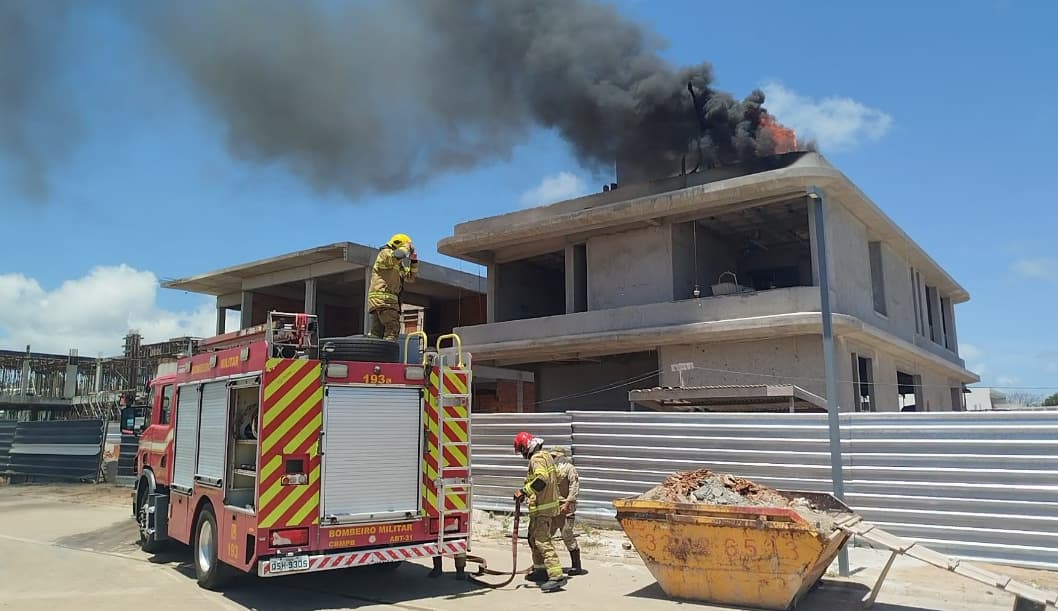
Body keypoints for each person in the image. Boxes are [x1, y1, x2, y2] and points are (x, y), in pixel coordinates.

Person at [513, 431, 565, 593]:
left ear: (525, 447)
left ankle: (556, 576)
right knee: (533, 538)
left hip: (543, 508)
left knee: (542, 540)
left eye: (521, 450)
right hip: (543, 507)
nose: (522, 454)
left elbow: (542, 479)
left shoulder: (536, 459)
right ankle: (540, 569)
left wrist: (524, 491)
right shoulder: (547, 456)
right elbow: (559, 475)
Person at [367, 233, 418, 341]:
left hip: (383, 301)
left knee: (377, 332)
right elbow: (397, 255)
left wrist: (413, 261)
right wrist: (407, 246)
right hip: (385, 301)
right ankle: (387, 354)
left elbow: (410, 277)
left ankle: (374, 354)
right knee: (393, 328)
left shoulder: (397, 264)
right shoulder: (385, 254)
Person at [549, 446, 584, 576]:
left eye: (554, 456)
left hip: (566, 507)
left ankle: (576, 566)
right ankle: (543, 564)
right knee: (546, 535)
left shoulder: (569, 469)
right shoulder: (552, 470)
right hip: (553, 507)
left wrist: (568, 502)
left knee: (566, 535)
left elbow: (574, 486)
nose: (552, 458)